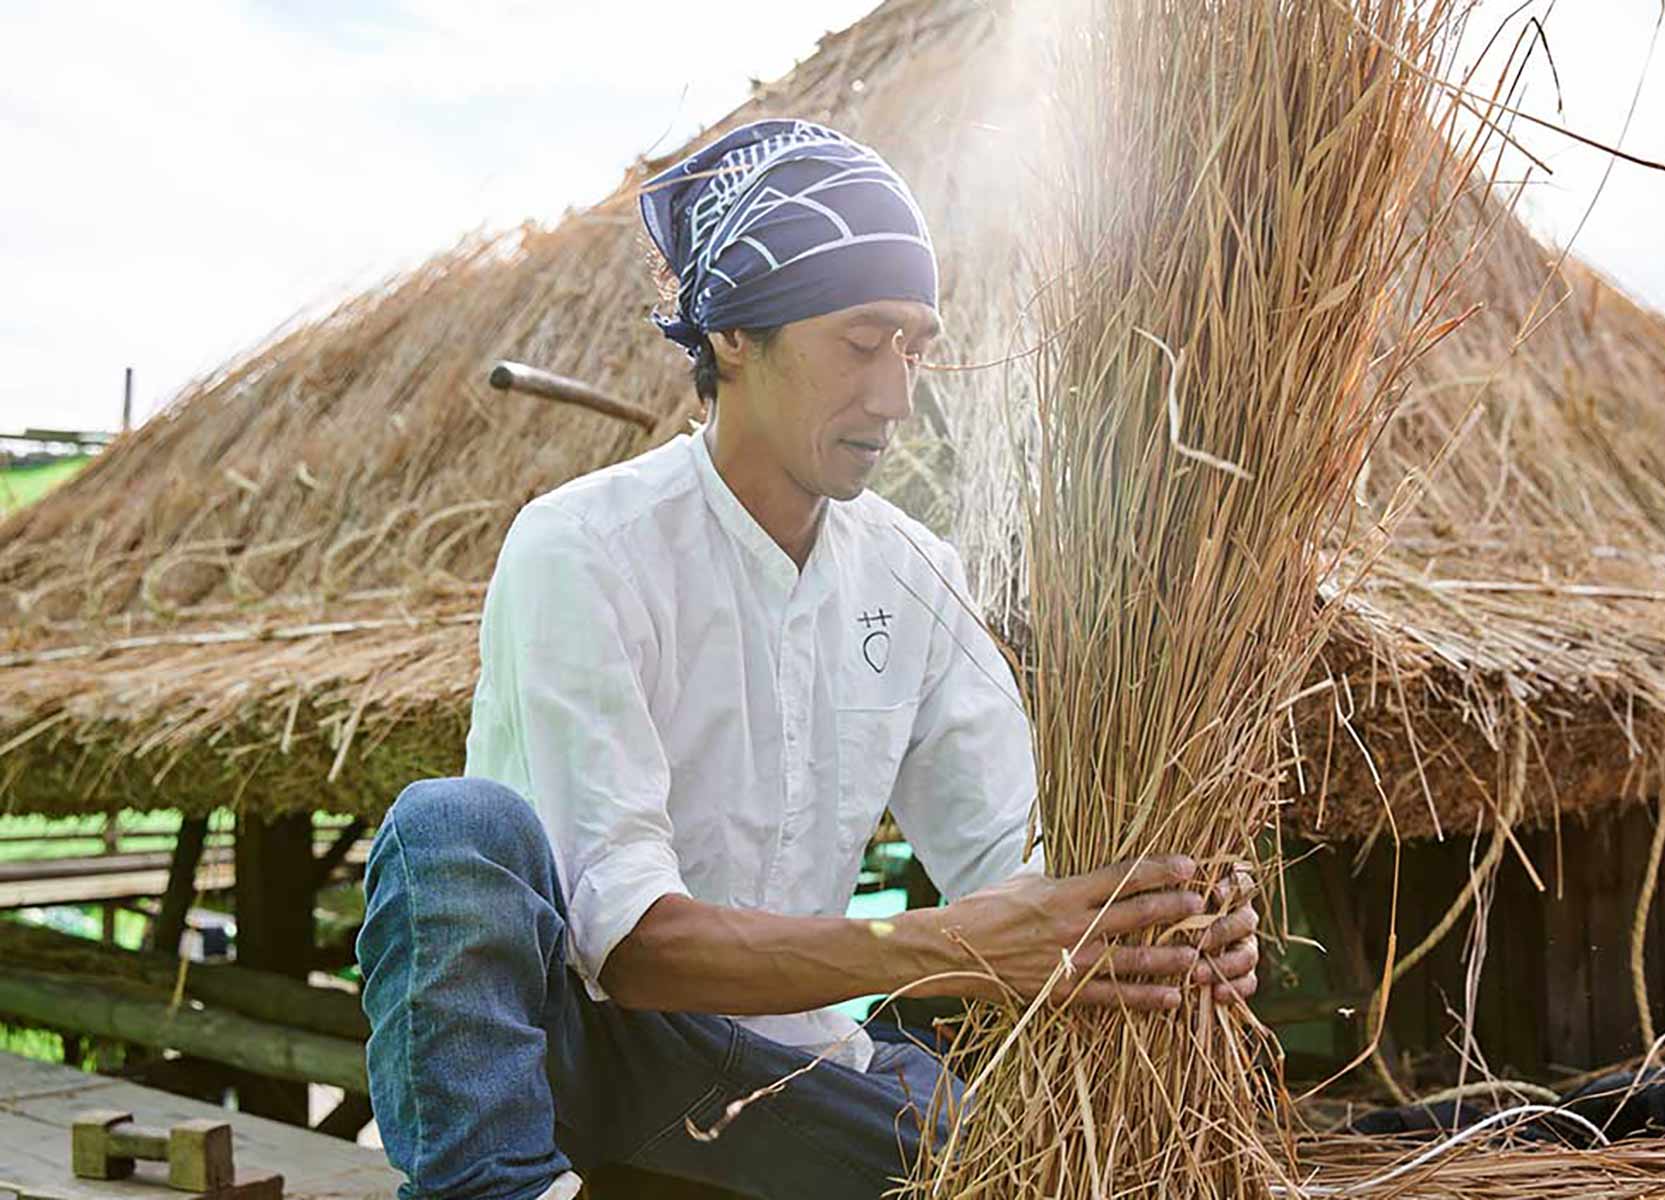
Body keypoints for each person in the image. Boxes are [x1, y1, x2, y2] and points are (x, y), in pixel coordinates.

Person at [355, 118, 1260, 1200]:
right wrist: (944, 943)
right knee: (451, 829)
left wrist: (1157, 920)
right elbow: (633, 949)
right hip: (599, 1061)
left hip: (796, 1078)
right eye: (861, 341)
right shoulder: (583, 546)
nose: (895, 397)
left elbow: (1019, 868)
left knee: (1006, 1167)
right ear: (735, 334)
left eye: (914, 346)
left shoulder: (916, 575)